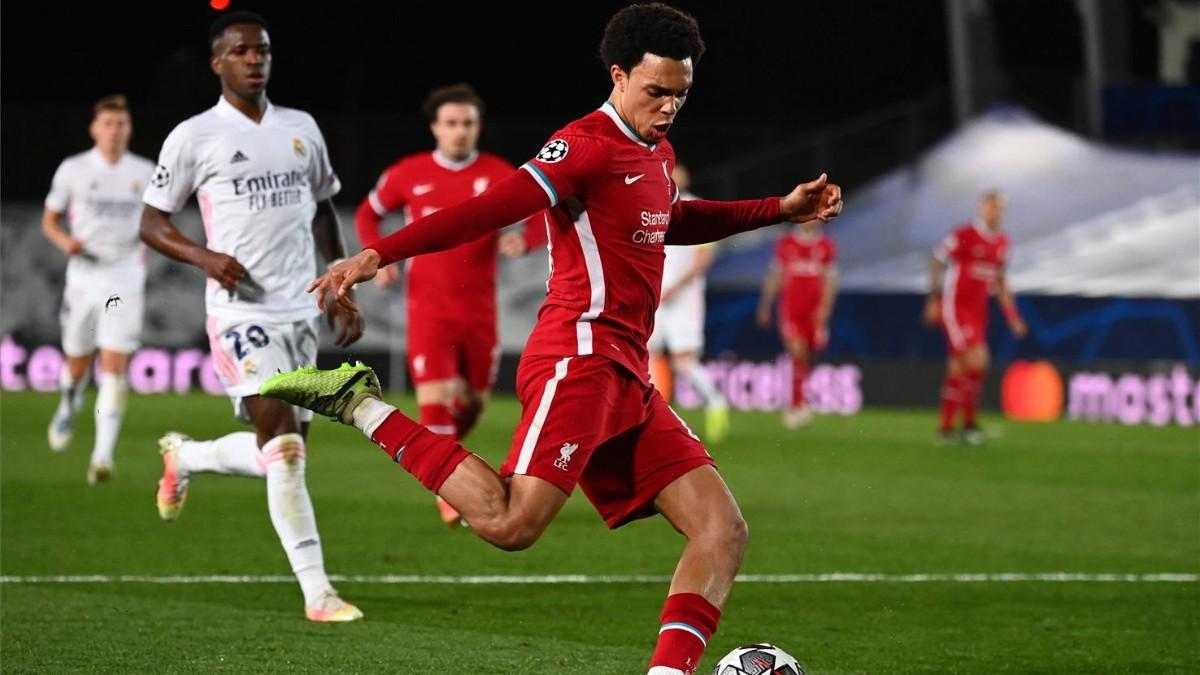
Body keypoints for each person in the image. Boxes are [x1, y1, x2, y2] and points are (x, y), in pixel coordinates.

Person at [262, 3, 841, 671]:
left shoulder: (657, 148)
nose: (670, 106)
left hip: (624, 369)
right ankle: (359, 403)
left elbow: (670, 217)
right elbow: (487, 210)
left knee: (722, 528)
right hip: (580, 356)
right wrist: (376, 255)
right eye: (656, 91)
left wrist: (778, 208)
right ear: (619, 76)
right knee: (512, 524)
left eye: (681, 94)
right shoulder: (584, 145)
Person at [138, 11, 364, 622]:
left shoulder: (301, 128)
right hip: (242, 314)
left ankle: (186, 457)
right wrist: (204, 256)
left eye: (261, 49)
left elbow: (323, 208)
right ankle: (319, 592)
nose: (254, 59)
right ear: (217, 62)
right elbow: (152, 222)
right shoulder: (195, 136)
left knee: (281, 450)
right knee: (285, 448)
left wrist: (339, 278)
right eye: (240, 51)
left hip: (302, 310)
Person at [355, 83, 545, 526]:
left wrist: (527, 238)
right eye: (452, 123)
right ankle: (448, 489)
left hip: (480, 311)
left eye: (468, 124)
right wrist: (378, 256)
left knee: (474, 404)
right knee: (436, 401)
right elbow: (368, 213)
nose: (460, 132)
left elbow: (540, 212)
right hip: (428, 309)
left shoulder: (500, 173)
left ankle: (446, 463)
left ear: (478, 127)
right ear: (435, 127)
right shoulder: (408, 173)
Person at [43, 94, 155, 484]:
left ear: (129, 128)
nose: (114, 130)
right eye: (107, 124)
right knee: (77, 362)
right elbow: (50, 221)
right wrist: (65, 242)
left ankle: (102, 456)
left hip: (124, 277)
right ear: (94, 129)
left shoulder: (145, 171)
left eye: (120, 124)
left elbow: (158, 221)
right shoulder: (73, 169)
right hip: (84, 277)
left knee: (114, 366)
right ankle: (68, 403)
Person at [923, 191, 1027, 445]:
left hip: (979, 312)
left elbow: (1001, 281)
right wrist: (933, 298)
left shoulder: (1002, 243)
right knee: (978, 359)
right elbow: (937, 260)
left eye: (999, 208)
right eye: (991, 206)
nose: (995, 212)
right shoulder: (964, 235)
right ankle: (967, 424)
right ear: (982, 208)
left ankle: (948, 428)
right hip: (955, 308)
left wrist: (1012, 315)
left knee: (960, 367)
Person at [647, 162, 730, 442]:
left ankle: (716, 402)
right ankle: (656, 415)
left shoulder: (697, 208)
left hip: (684, 299)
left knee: (684, 361)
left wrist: (677, 287)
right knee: (645, 353)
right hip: (656, 296)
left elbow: (705, 258)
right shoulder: (651, 207)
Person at [756, 218, 838, 428]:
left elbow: (831, 280)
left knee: (807, 356)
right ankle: (795, 406)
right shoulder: (785, 243)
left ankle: (801, 400)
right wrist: (765, 305)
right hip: (791, 309)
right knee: (797, 351)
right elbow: (774, 275)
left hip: (814, 311)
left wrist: (825, 309)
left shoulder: (826, 245)